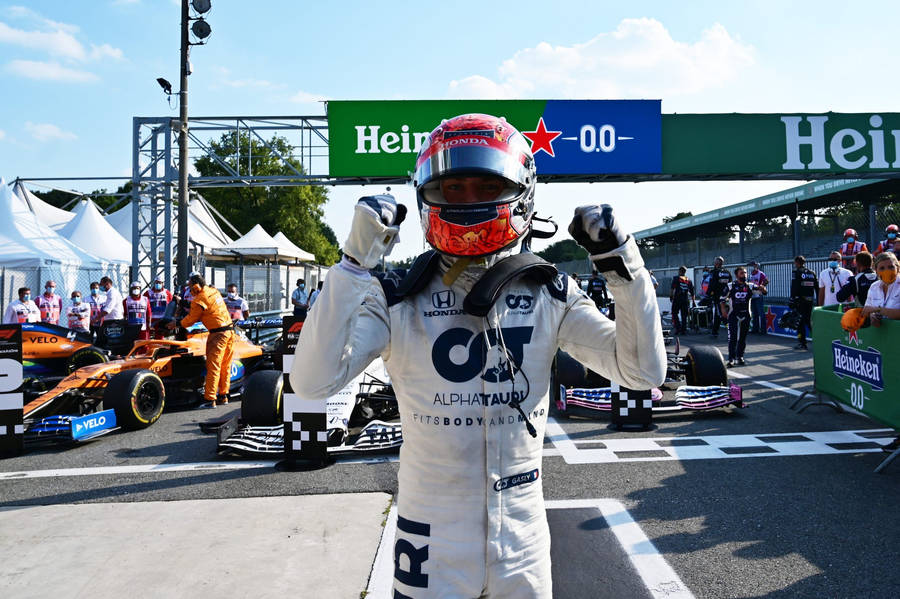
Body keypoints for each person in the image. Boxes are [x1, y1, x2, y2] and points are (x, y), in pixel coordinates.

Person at [290, 113, 666, 598]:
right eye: (452, 188)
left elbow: (642, 372)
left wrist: (622, 265)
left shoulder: (549, 291)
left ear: (520, 192)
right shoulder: (399, 297)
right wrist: (353, 266)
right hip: (429, 537)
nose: (467, 201)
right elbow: (311, 383)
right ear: (426, 195)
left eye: (486, 187)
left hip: (523, 536)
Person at [170, 273, 235, 408]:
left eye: (190, 287)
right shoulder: (213, 291)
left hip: (218, 335)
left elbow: (190, 320)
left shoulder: (199, 299)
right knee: (225, 365)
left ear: (195, 286)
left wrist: (176, 323)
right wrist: (182, 302)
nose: (189, 290)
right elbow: (202, 305)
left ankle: (210, 399)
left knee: (213, 366)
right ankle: (223, 396)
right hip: (229, 331)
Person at [720, 266, 765, 366]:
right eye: (741, 273)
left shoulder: (750, 286)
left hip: (746, 314)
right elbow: (722, 299)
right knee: (733, 337)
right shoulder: (730, 286)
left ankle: (740, 357)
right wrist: (723, 311)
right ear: (736, 275)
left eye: (745, 273)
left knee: (743, 338)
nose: (744, 275)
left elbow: (763, 292)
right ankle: (731, 358)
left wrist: (763, 287)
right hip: (733, 314)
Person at [860, 251, 900, 325]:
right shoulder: (874, 287)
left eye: (891, 267)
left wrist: (878, 310)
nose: (887, 271)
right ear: (876, 271)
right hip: (881, 335)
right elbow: (867, 310)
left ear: (897, 268)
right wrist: (872, 316)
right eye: (882, 268)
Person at [790, 255, 817, 350]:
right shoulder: (812, 273)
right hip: (810, 301)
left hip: (800, 301)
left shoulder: (796, 272)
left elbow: (794, 286)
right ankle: (818, 341)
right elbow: (817, 287)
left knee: (799, 322)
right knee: (809, 321)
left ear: (797, 263)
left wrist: (792, 299)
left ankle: (802, 343)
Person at [707, 256, 732, 338]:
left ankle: (732, 331)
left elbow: (712, 284)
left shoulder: (714, 272)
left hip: (718, 297)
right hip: (727, 296)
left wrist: (708, 294)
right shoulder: (727, 272)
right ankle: (715, 332)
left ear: (716, 263)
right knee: (717, 315)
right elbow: (730, 284)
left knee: (722, 315)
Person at [670, 266, 694, 335]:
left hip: (677, 299)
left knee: (674, 313)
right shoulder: (689, 280)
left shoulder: (676, 278)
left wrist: (671, 296)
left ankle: (678, 328)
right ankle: (683, 330)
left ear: (680, 271)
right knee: (684, 315)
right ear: (685, 272)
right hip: (685, 300)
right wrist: (693, 301)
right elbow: (692, 292)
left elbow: (672, 288)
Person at [747, 261, 769, 334]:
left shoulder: (761, 274)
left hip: (758, 296)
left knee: (761, 313)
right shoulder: (750, 275)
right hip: (752, 296)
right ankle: (755, 329)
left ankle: (763, 330)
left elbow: (766, 281)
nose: (751, 267)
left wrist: (762, 286)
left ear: (756, 266)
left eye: (752, 265)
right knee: (754, 314)